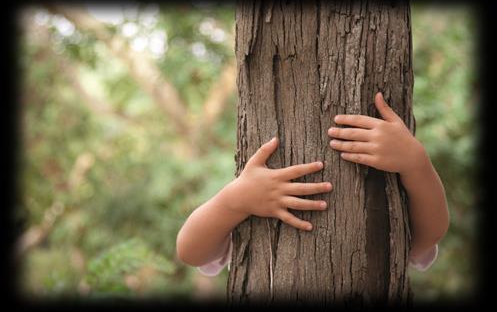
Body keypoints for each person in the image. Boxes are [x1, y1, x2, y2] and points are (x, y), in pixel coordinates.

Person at [176, 92, 450, 276]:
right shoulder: (257, 203)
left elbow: (426, 237)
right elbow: (191, 251)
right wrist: (235, 200)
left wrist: (417, 164)